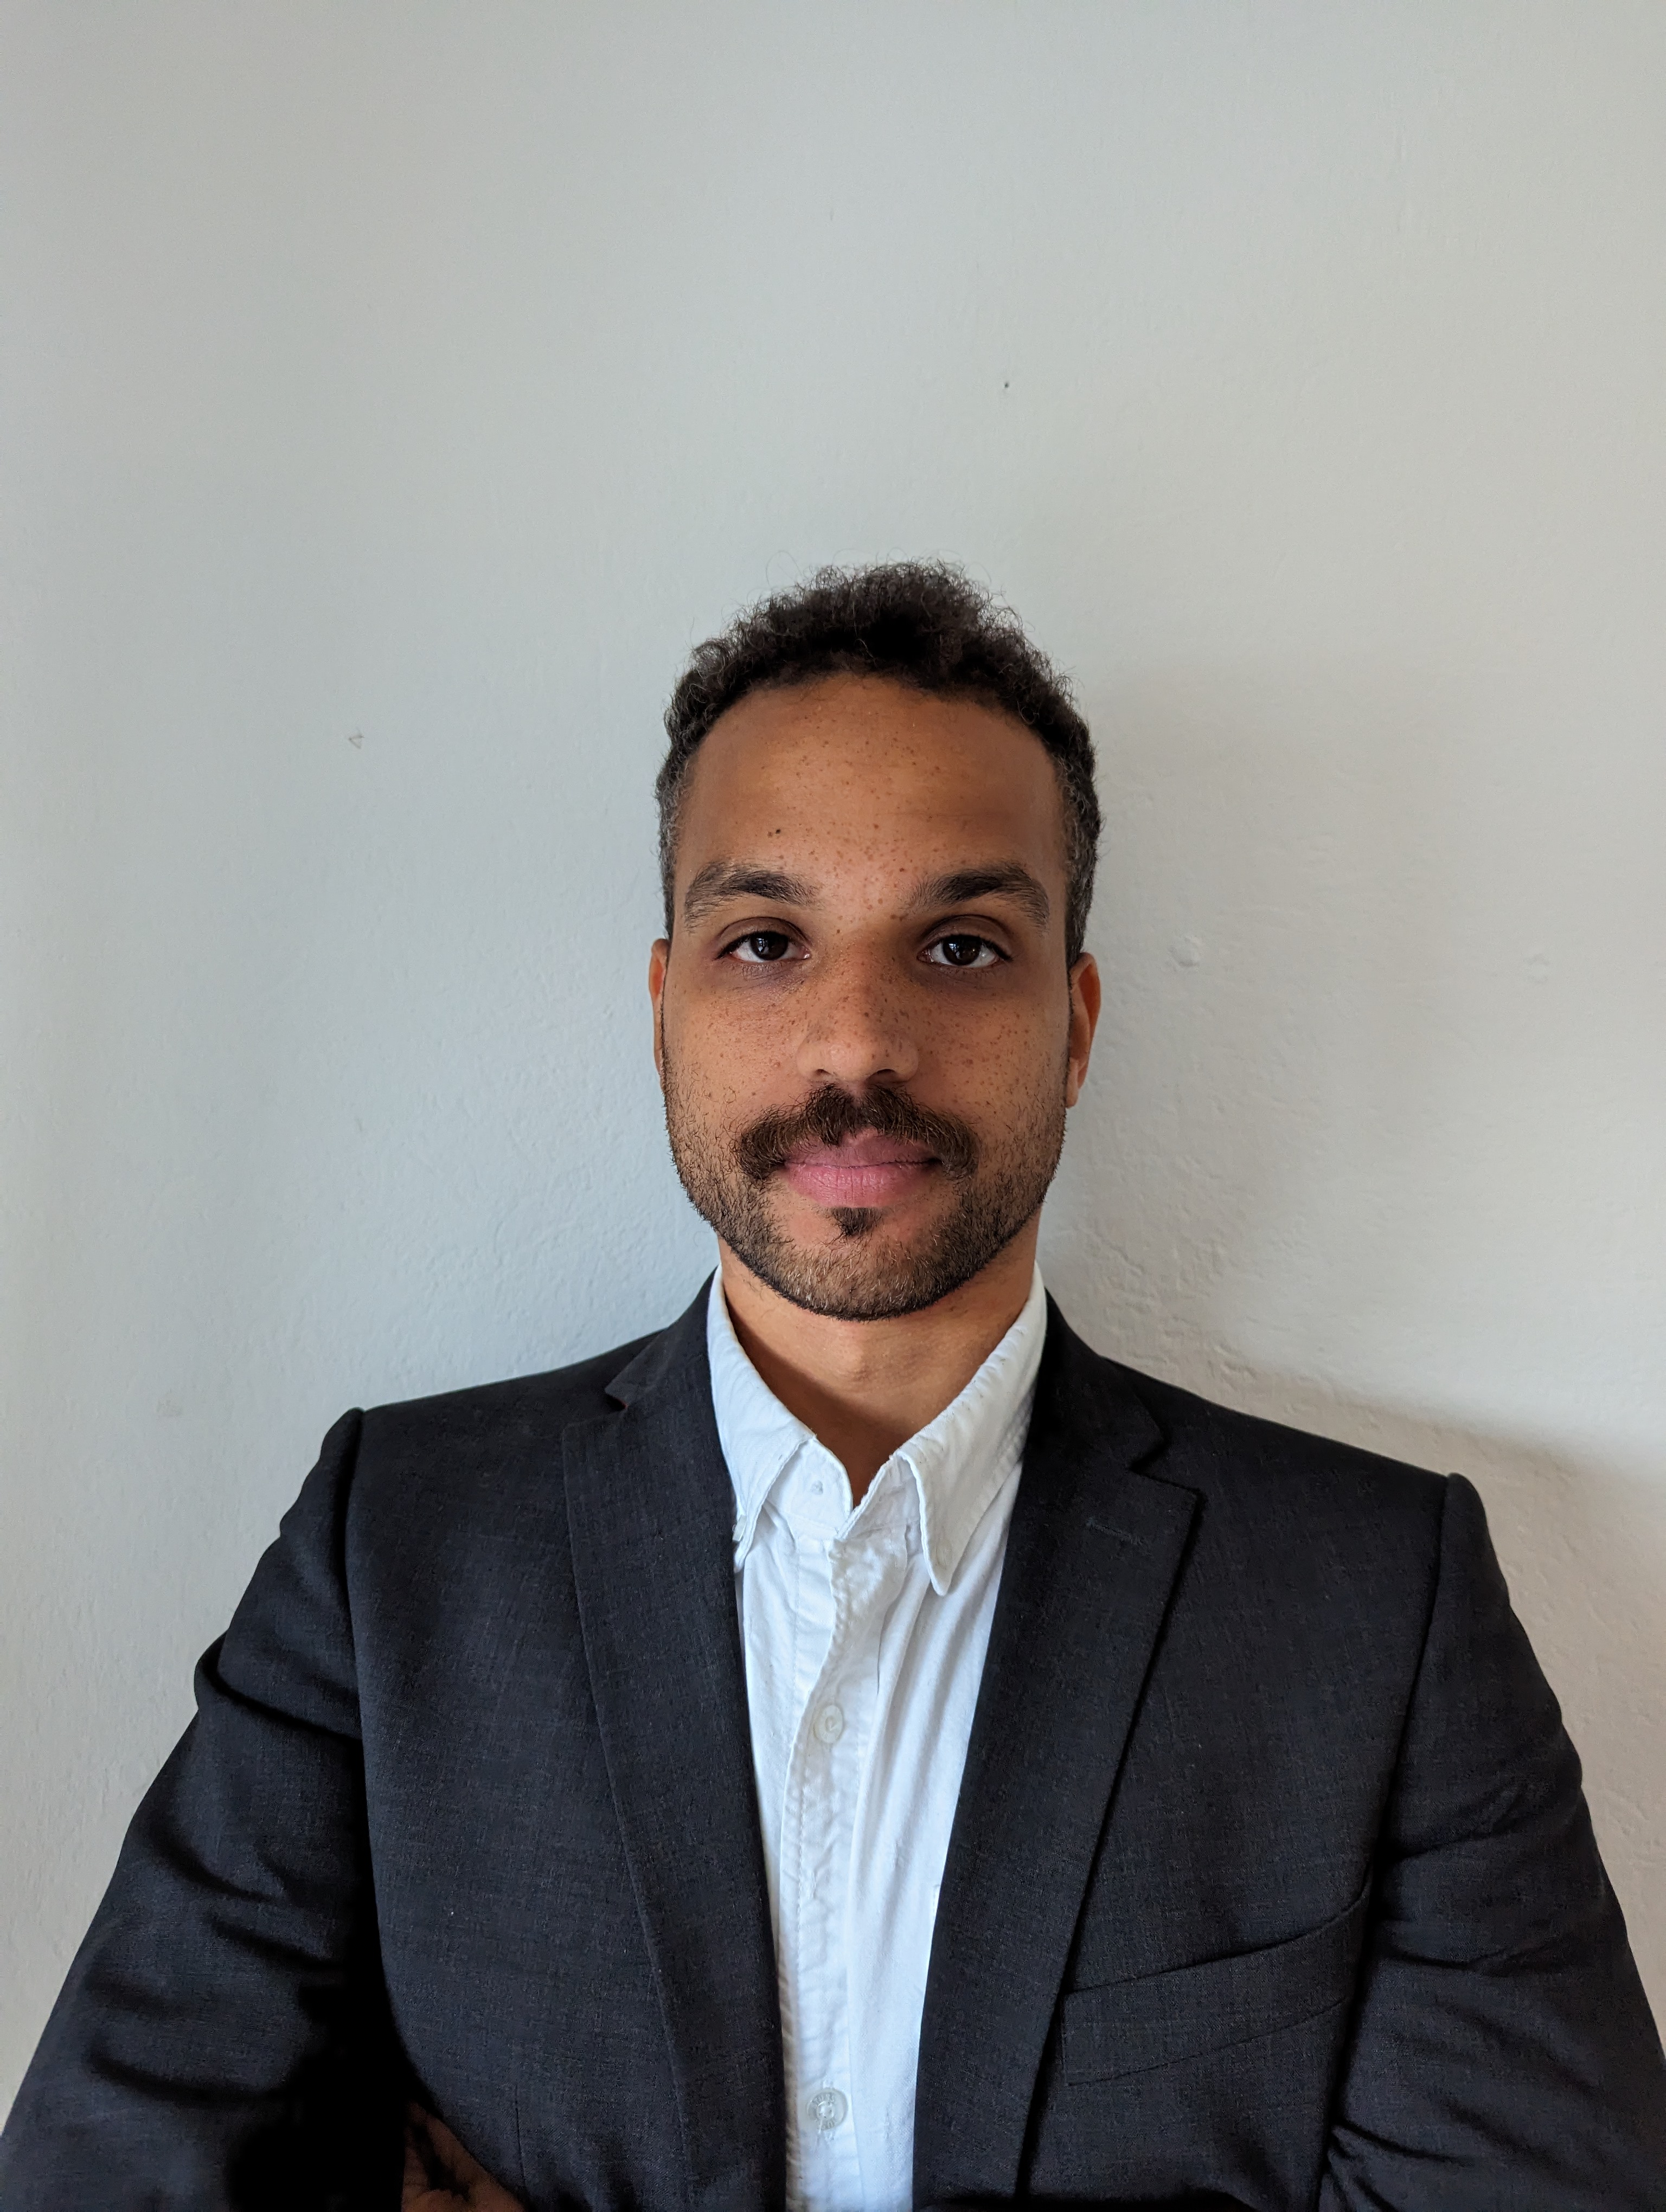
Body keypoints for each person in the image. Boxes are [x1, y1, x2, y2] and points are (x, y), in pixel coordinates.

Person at [2, 563, 1662, 2212]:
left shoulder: (1376, 1597)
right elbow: (111, 2167)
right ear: (666, 1011)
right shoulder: (397, 1549)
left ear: (1076, 1025)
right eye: (766, 941)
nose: (857, 1044)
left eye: (960, 944)